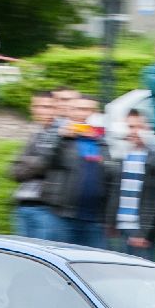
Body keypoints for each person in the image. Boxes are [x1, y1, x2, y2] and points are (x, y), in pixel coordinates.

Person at [45, 95, 114, 249]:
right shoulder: (61, 137)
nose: (84, 114)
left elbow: (110, 178)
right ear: (69, 111)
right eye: (79, 109)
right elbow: (46, 161)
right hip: (64, 216)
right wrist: (59, 137)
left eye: (89, 110)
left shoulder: (102, 141)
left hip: (95, 219)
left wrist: (109, 217)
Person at [108, 109, 155, 259]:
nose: (134, 131)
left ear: (148, 128)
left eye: (139, 127)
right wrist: (110, 222)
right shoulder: (121, 154)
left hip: (140, 228)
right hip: (120, 227)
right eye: (130, 127)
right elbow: (115, 191)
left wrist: (145, 232)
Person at [10, 90, 60, 240]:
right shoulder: (35, 133)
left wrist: (27, 161)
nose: (41, 111)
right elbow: (14, 172)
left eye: (47, 107)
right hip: (23, 204)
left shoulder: (60, 133)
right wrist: (33, 162)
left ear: (56, 109)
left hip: (45, 207)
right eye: (37, 106)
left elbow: (47, 162)